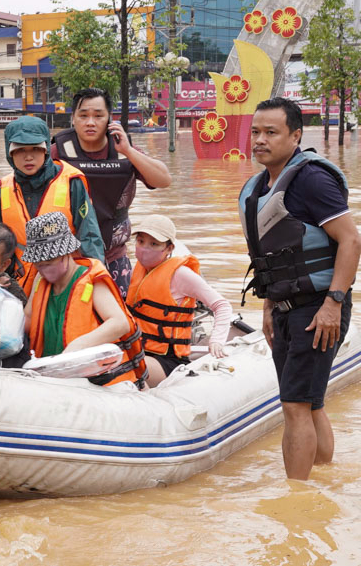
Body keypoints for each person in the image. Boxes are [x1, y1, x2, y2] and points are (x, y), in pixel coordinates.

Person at [238, 97, 360, 480]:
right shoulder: (258, 187)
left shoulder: (312, 179)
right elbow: (273, 255)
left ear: (295, 136)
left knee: (293, 406)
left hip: (319, 308)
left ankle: (296, 501)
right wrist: (269, 307)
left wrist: (333, 304)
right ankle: (323, 480)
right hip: (286, 307)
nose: (260, 140)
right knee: (309, 403)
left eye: (271, 132)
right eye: (255, 131)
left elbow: (351, 241)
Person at [0, 212, 146, 386]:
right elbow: (28, 319)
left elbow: (120, 323)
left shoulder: (91, 280)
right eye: (38, 263)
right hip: (55, 375)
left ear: (66, 253)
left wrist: (80, 344)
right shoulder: (40, 279)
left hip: (95, 378)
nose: (43, 268)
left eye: (48, 261)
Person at [51, 88, 172, 298]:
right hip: (68, 258)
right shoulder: (57, 152)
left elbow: (164, 180)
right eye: (83, 115)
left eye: (98, 116)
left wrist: (128, 151)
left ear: (109, 119)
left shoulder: (123, 149)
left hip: (114, 255)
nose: (90, 122)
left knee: (121, 318)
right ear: (73, 118)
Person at [0, 115, 104, 291]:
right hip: (20, 286)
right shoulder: (4, 190)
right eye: (20, 150)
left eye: (35, 148)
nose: (28, 157)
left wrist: (96, 281)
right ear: (9, 153)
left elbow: (90, 236)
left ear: (46, 150)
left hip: (65, 284)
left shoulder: (71, 182)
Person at [126, 214, 233, 388]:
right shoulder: (137, 270)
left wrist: (217, 340)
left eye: (154, 244)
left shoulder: (180, 275)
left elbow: (222, 305)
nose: (145, 248)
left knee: (125, 364)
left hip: (167, 360)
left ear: (169, 249)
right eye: (140, 241)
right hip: (140, 350)